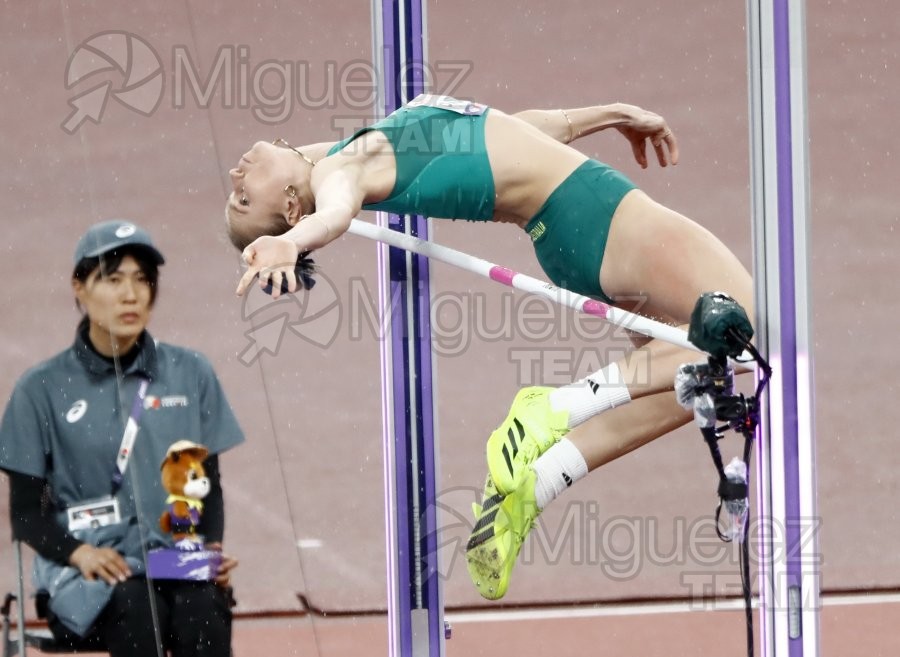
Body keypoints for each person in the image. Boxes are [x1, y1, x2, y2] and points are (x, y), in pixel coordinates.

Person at [223, 94, 754, 599]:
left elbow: (514, 135)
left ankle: (537, 485)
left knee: (692, 377)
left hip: (569, 236)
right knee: (745, 329)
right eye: (244, 199)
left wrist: (610, 115)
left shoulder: (352, 150)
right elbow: (334, 213)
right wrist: (291, 243)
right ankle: (551, 409)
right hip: (595, 212)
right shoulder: (340, 173)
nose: (235, 176)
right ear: (291, 206)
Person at [0, 220, 245, 654]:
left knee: (203, 605)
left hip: (173, 561)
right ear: (79, 287)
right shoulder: (39, 390)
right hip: (88, 569)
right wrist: (79, 553)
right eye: (112, 280)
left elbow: (209, 486)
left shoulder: (191, 372)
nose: (130, 295)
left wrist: (210, 551)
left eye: (142, 280)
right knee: (137, 606)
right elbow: (26, 515)